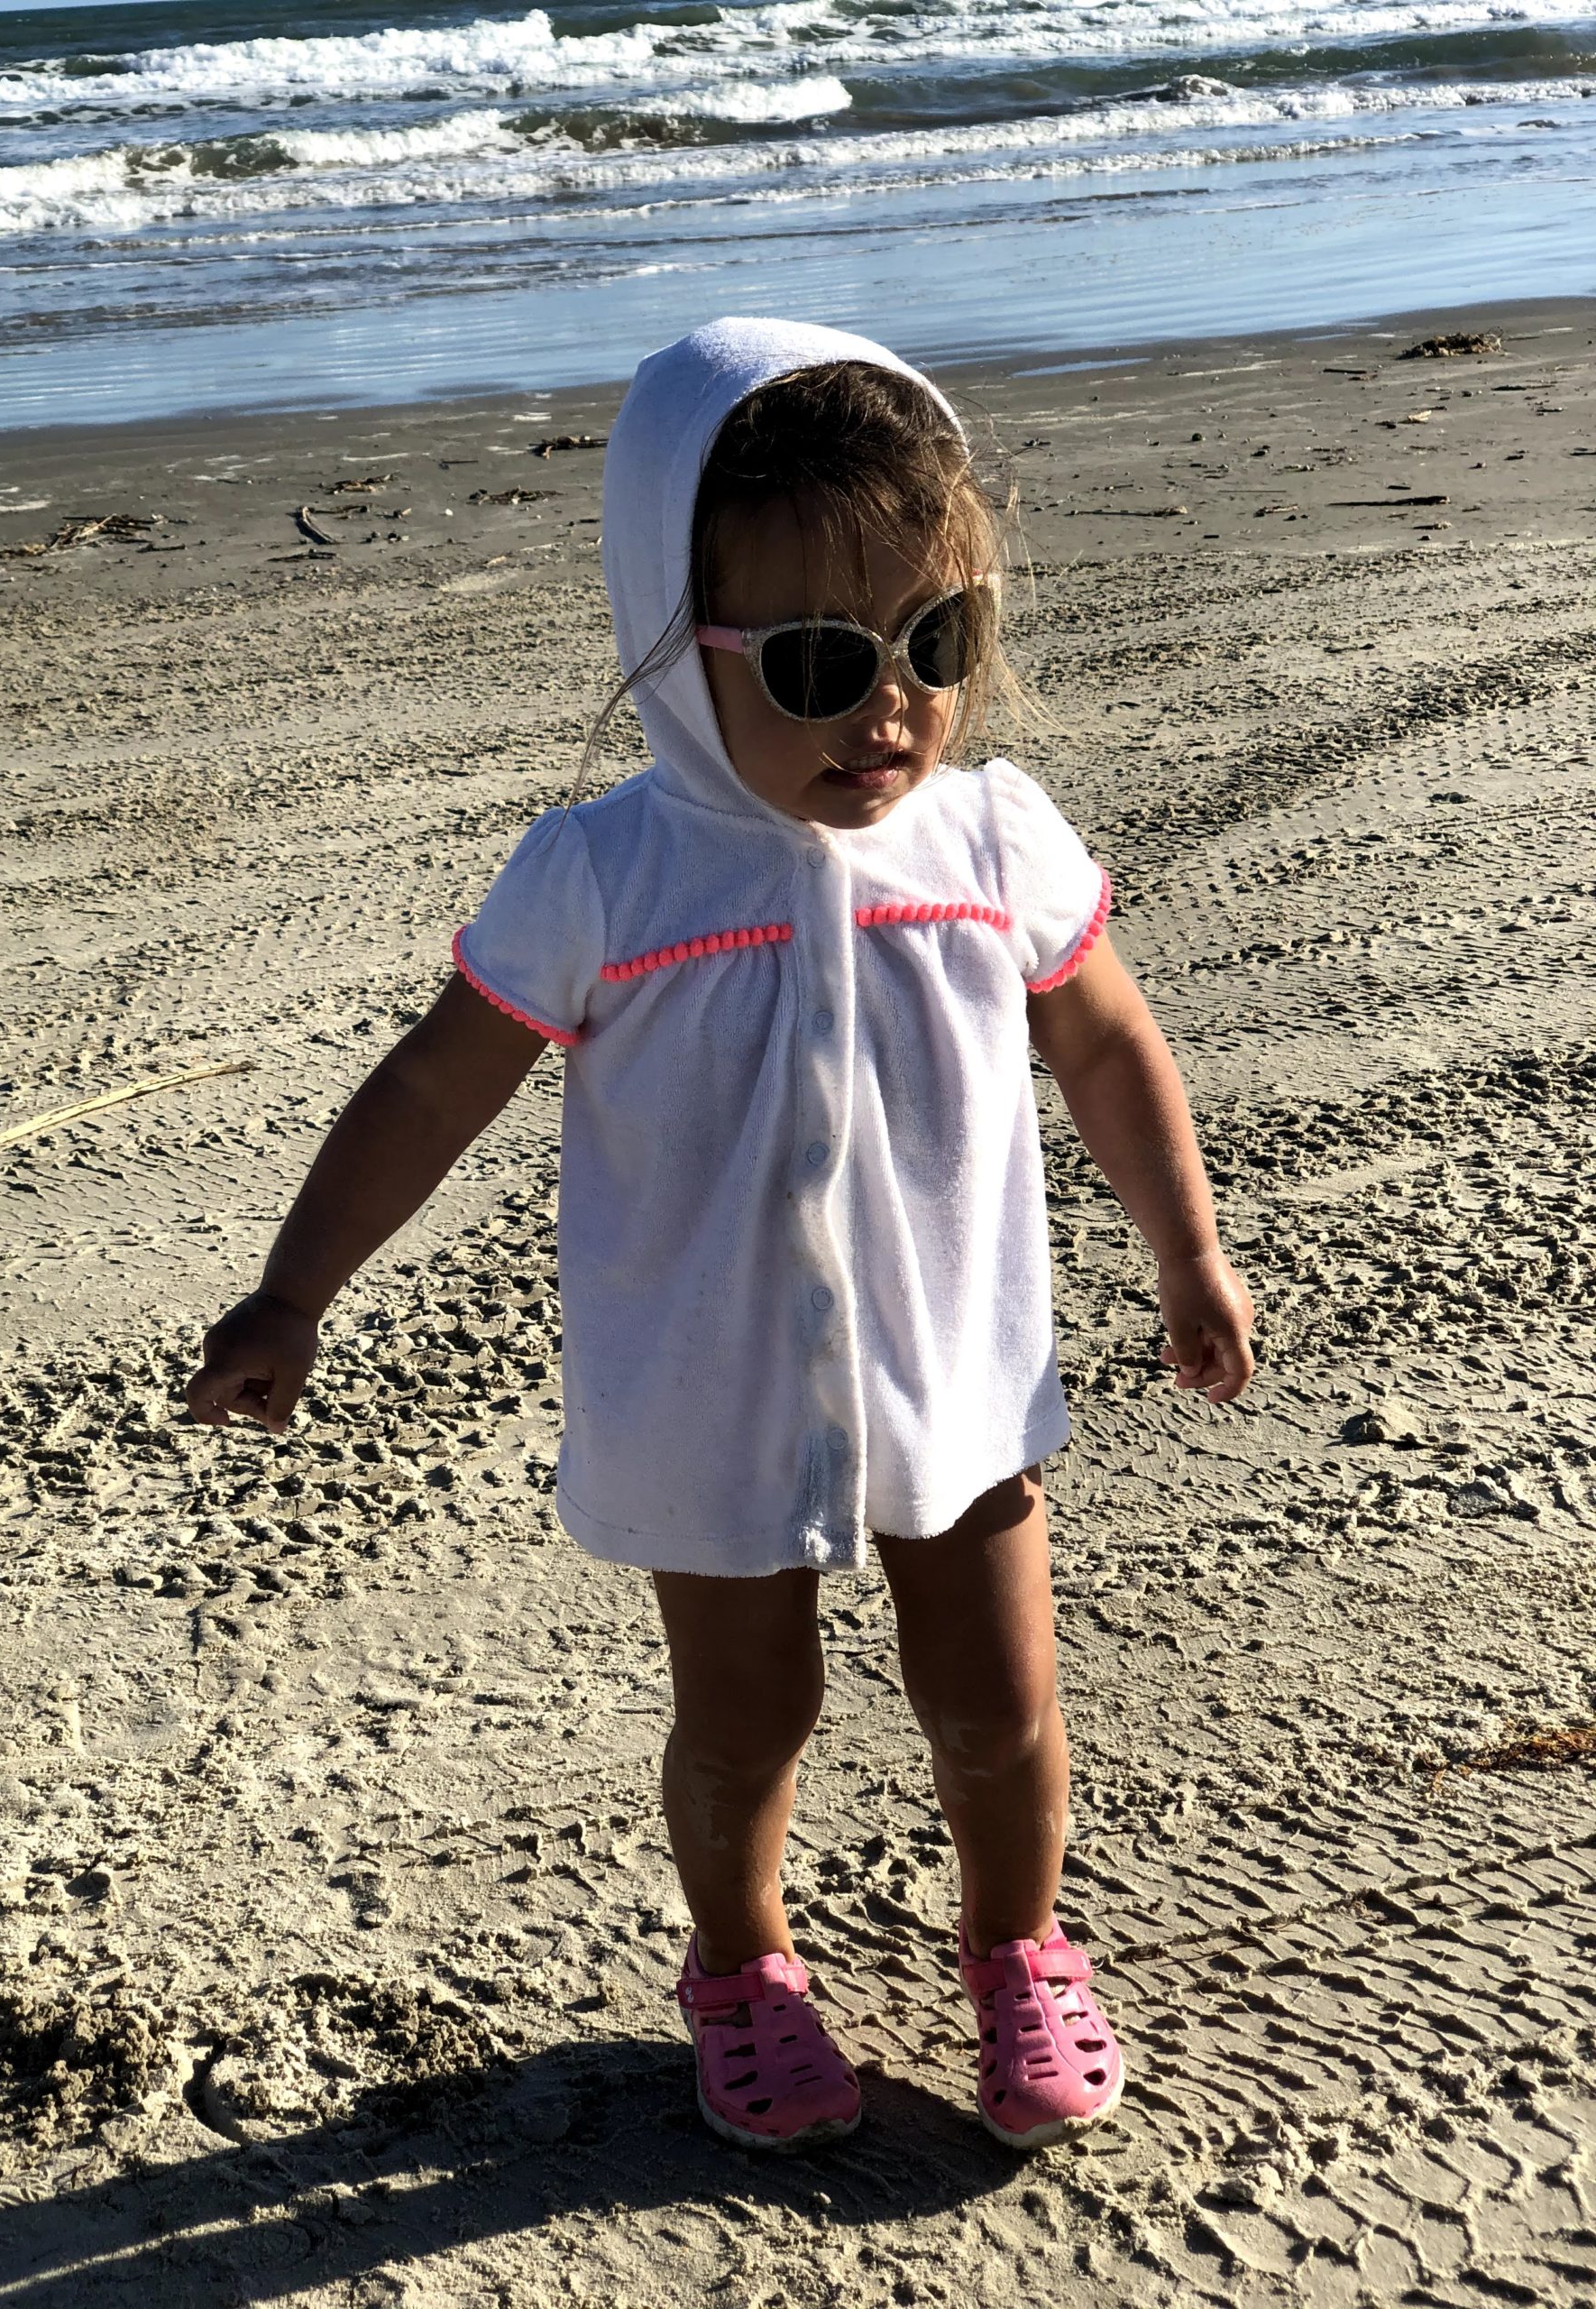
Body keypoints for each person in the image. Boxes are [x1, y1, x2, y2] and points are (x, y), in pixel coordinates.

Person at [187, 317, 1255, 2156]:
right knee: (750, 1714)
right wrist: (296, 1288)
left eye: (940, 646)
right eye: (828, 662)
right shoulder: (608, 872)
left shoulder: (992, 836)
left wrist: (1187, 1250)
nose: (893, 711)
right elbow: (434, 1086)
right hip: (707, 1385)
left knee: (998, 1704)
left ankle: (1016, 1941)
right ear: (686, 654)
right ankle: (741, 1961)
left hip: (957, 1367)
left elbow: (1106, 1034)